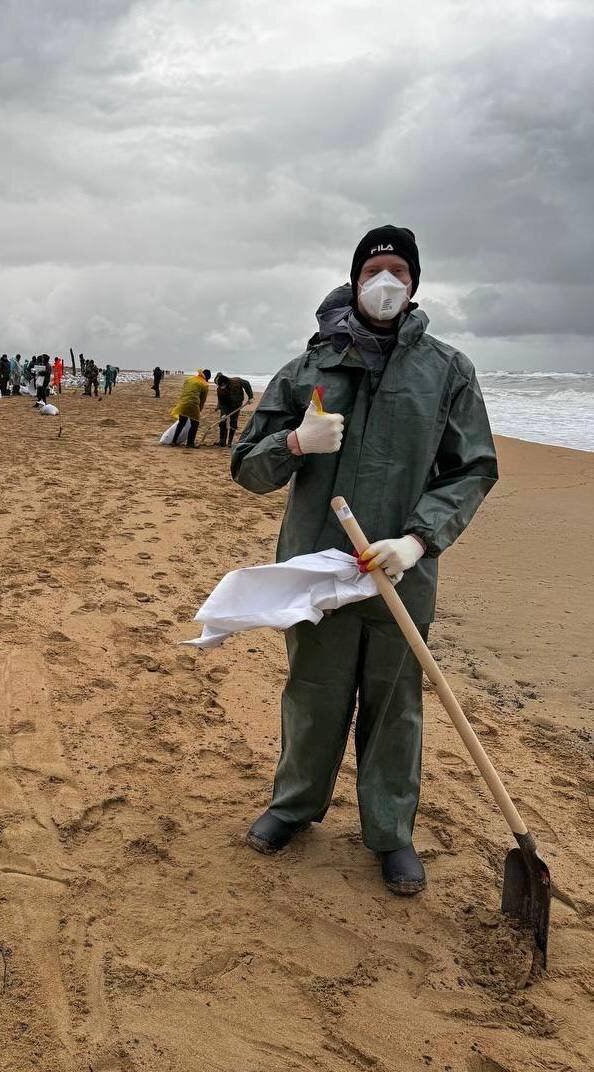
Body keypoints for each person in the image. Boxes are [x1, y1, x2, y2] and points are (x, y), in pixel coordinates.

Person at [231, 226, 498, 895]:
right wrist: (294, 441)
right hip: (320, 566)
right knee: (314, 695)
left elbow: (471, 469)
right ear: (355, 281)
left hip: (401, 572)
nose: (387, 280)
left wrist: (417, 540)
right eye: (375, 268)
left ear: (414, 285)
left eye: (399, 270)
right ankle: (292, 808)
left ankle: (390, 834)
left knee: (395, 704)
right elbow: (247, 467)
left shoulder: (447, 369)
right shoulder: (307, 369)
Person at [170, 369, 211, 447]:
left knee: (181, 422)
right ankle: (190, 443)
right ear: (207, 377)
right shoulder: (204, 384)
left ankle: (174, 441)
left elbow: (185, 390)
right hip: (193, 404)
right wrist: (200, 409)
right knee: (195, 423)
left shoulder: (190, 379)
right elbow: (203, 399)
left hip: (183, 402)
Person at [214, 373, 254, 447]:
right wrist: (223, 413)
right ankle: (222, 441)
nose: (219, 387)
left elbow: (247, 384)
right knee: (222, 422)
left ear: (224, 383)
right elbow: (222, 403)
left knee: (233, 421)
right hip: (226, 404)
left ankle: (230, 442)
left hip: (236, 405)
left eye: (221, 385)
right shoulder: (219, 390)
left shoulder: (236, 381)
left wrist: (250, 396)